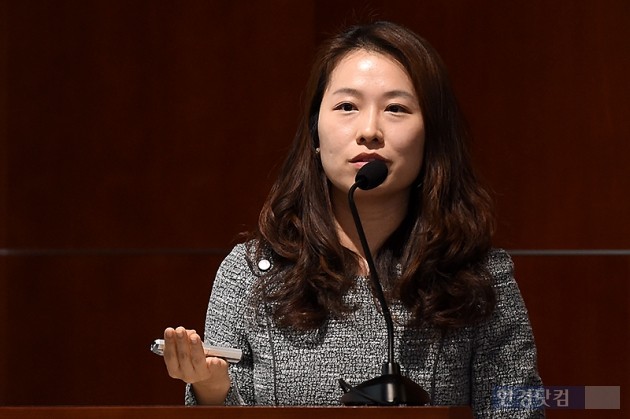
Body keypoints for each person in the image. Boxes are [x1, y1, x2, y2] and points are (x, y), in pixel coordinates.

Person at [162, 21, 544, 417]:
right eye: (347, 106)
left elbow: (520, 408)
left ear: (432, 136)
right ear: (315, 132)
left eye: (396, 108)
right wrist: (209, 388)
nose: (369, 130)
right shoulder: (252, 272)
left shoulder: (479, 275)